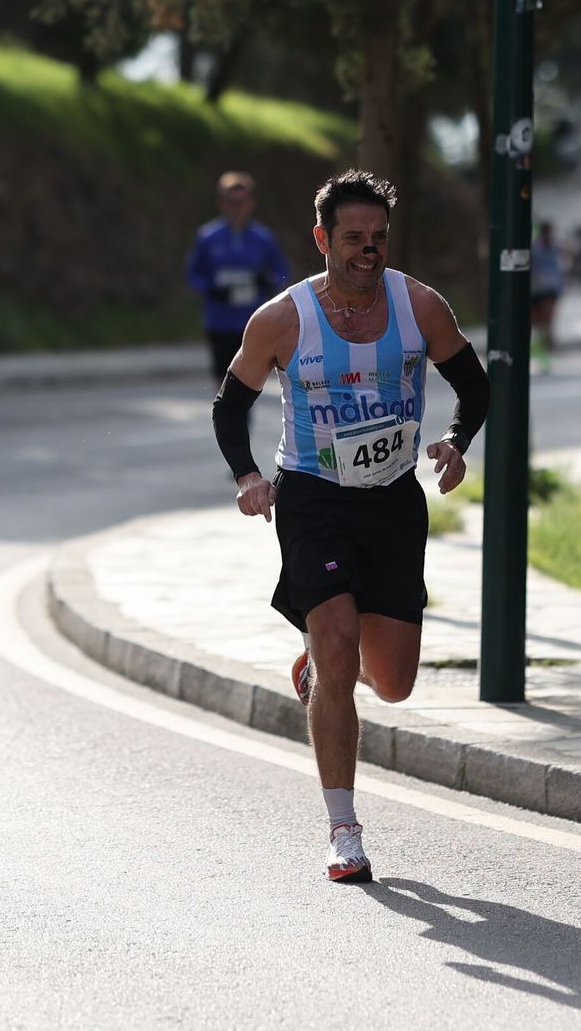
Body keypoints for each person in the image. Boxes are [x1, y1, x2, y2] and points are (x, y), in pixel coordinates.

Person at [209, 169, 489, 883]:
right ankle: (344, 829)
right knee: (337, 652)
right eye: (354, 239)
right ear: (322, 240)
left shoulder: (419, 305)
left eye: (379, 239)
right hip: (312, 496)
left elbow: (475, 382)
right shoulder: (281, 318)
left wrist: (456, 441)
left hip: (392, 498)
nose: (369, 250)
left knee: (391, 683)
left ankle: (323, 671)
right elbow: (229, 403)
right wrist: (247, 475)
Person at [186, 171, 291, 380]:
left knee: (248, 380)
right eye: (230, 201)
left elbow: (282, 273)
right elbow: (193, 274)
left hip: (253, 322)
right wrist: (211, 290)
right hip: (220, 321)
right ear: (221, 203)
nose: (236, 207)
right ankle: (224, 413)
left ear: (251, 202)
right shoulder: (208, 237)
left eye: (241, 201)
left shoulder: (263, 238)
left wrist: (266, 283)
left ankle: (243, 414)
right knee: (222, 378)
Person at [529, 221, 566, 372]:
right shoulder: (536, 250)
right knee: (540, 325)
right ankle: (544, 354)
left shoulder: (554, 248)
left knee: (546, 324)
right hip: (537, 291)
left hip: (548, 291)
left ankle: (546, 357)